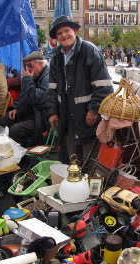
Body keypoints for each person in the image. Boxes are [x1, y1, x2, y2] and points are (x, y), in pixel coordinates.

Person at [47, 15, 113, 167]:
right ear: (56, 38)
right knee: (72, 155)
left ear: (75, 31)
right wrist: (52, 112)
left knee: (90, 155)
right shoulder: (56, 56)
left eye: (66, 31)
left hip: (86, 114)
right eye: (59, 33)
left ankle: (91, 187)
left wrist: (94, 109)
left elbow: (104, 86)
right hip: (65, 113)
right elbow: (52, 89)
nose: (63, 35)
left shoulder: (89, 51)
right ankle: (75, 184)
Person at [0, 51, 49, 148]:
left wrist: (28, 79)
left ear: (41, 64)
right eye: (26, 66)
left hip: (41, 116)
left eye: (30, 65)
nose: (28, 69)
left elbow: (37, 98)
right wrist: (16, 107)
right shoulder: (35, 75)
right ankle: (6, 152)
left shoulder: (47, 76)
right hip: (30, 113)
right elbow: (24, 95)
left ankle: (23, 157)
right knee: (2, 122)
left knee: (15, 130)